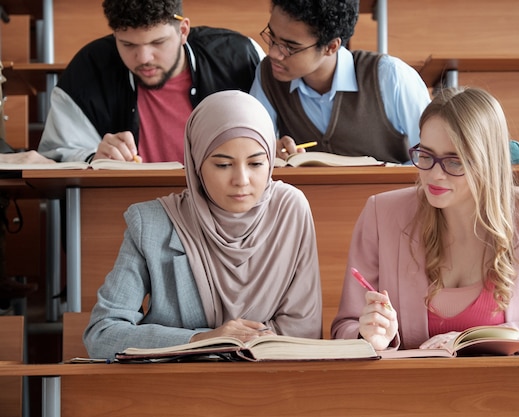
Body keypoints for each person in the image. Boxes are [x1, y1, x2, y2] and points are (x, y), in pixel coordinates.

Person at [330, 86, 519, 354]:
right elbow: (345, 326)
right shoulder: (382, 213)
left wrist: (504, 336)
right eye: (425, 155)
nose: (434, 174)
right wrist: (370, 335)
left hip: (511, 395)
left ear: (489, 161)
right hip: (407, 396)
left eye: (455, 161)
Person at [83, 90, 322, 359]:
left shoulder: (289, 209)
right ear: (196, 163)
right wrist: (204, 340)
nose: (241, 180)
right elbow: (102, 335)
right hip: (176, 389)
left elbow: (303, 332)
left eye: (256, 163)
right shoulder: (151, 223)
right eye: (222, 165)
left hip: (271, 385)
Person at [38, 0, 263, 165]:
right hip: (126, 209)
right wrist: (93, 157)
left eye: (158, 42)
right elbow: (54, 154)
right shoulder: (89, 68)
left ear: (183, 30)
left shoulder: (240, 56)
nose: (144, 58)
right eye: (128, 45)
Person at [249, 0, 431, 164]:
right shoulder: (268, 74)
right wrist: (269, 150)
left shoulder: (389, 76)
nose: (273, 53)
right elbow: (249, 148)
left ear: (331, 47)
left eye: (290, 47)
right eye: (272, 38)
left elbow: (431, 156)